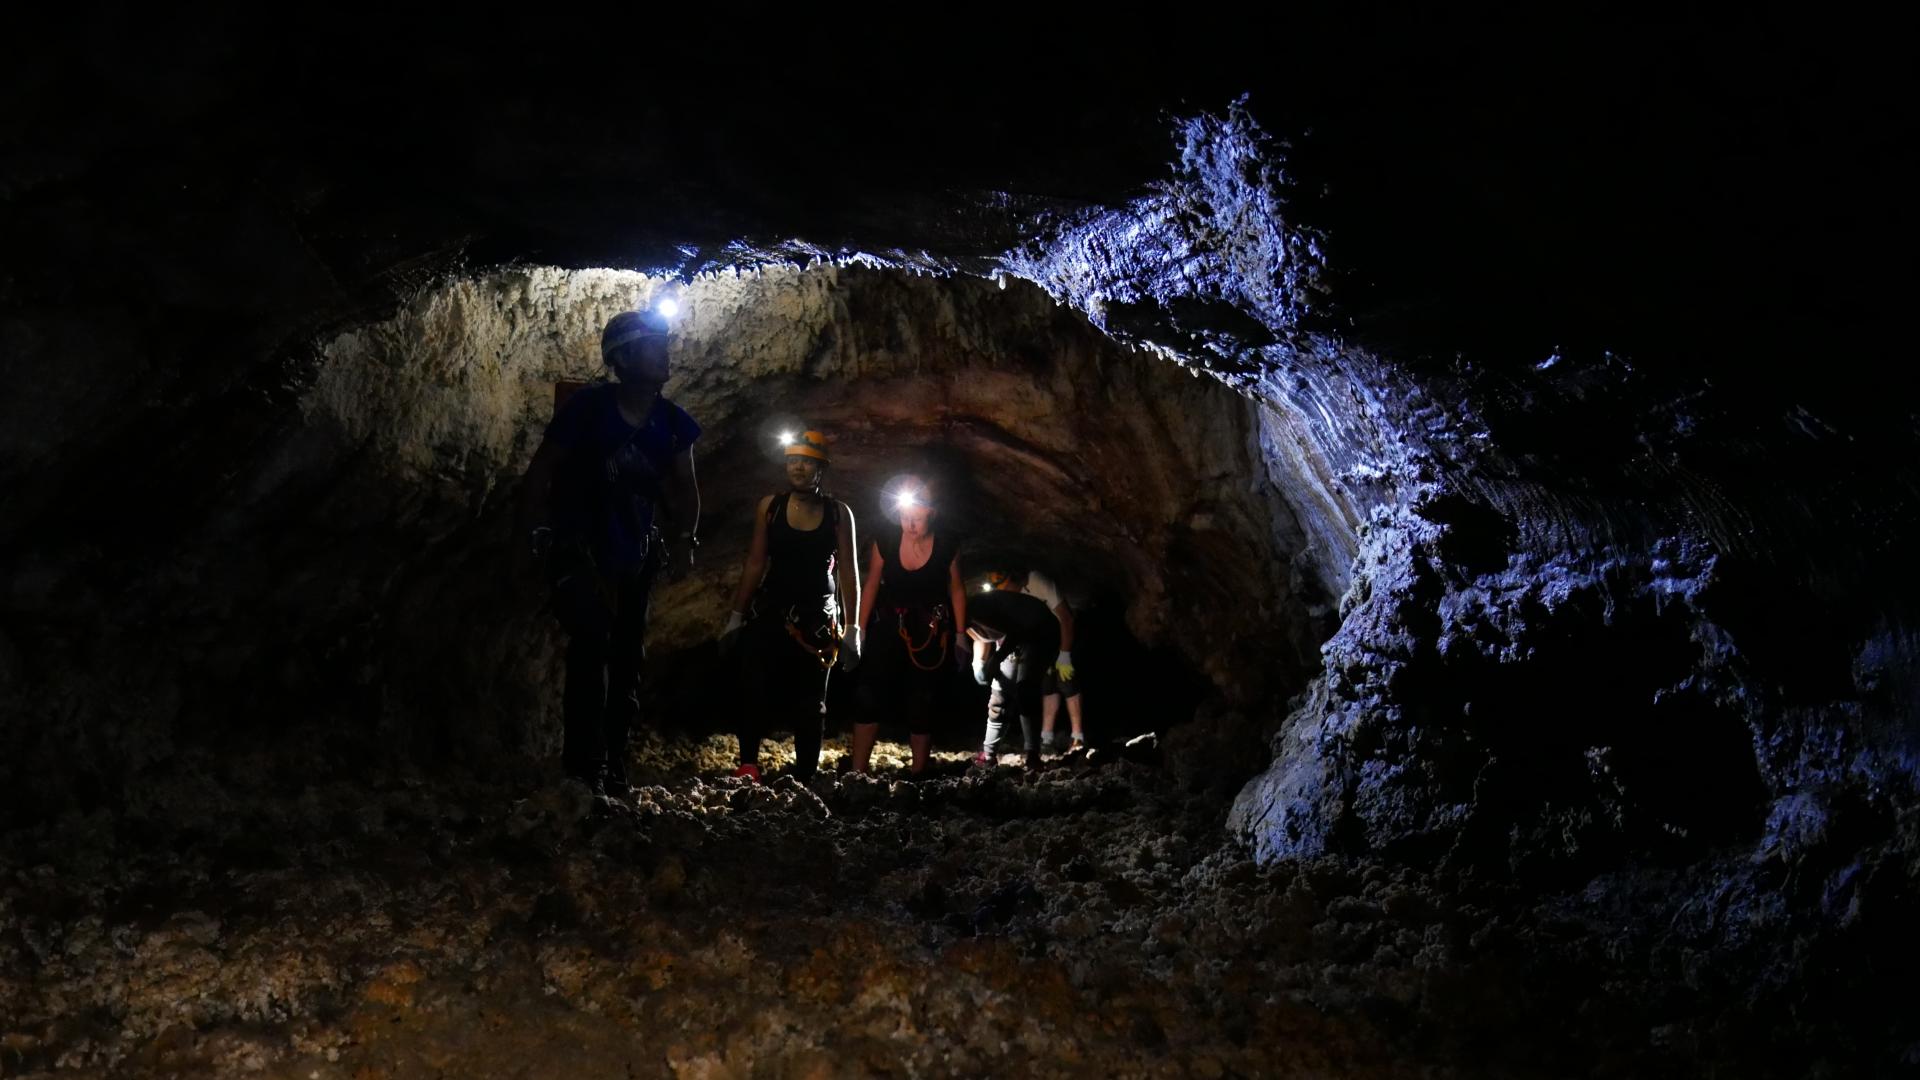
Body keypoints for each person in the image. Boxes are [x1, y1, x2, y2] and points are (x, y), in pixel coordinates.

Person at [516, 307, 700, 796]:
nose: (664, 355)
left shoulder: (673, 421)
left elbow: (686, 487)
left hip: (635, 551)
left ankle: (613, 765)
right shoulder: (589, 409)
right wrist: (536, 526)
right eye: (651, 347)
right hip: (582, 545)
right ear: (623, 359)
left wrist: (685, 539)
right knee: (590, 645)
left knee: (626, 659)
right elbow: (542, 468)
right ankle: (582, 767)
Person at [721, 430, 859, 783]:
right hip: (772, 610)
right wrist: (737, 615)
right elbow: (755, 562)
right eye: (792, 459)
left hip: (817, 618)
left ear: (821, 467)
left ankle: (807, 775)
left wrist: (853, 629)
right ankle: (748, 764)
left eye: (806, 461)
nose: (797, 466)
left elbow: (848, 572)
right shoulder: (771, 507)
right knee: (753, 686)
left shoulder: (838, 514)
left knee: (811, 701)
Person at [850, 475, 966, 776]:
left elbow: (956, 588)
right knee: (868, 693)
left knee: (922, 699)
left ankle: (918, 773)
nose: (909, 524)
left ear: (932, 513)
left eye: (916, 517)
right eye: (904, 517)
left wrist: (960, 635)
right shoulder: (886, 538)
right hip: (890, 622)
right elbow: (872, 583)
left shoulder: (946, 544)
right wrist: (858, 630)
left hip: (929, 629)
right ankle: (857, 773)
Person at [984, 567, 1085, 753]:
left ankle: (1078, 738)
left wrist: (1065, 654)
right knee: (1047, 685)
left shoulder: (1037, 582)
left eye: (1007, 587)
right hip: (1039, 640)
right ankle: (1046, 738)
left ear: (1016, 579)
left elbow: (1066, 618)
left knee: (1067, 681)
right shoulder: (1008, 598)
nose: (1005, 593)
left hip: (1060, 633)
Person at [967, 572, 1060, 771]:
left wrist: (996, 658)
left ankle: (1033, 756)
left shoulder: (978, 608)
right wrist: (979, 662)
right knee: (999, 696)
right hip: (1018, 637)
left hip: (1042, 632)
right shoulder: (965, 618)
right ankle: (989, 754)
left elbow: (1015, 631)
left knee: (1026, 690)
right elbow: (980, 638)